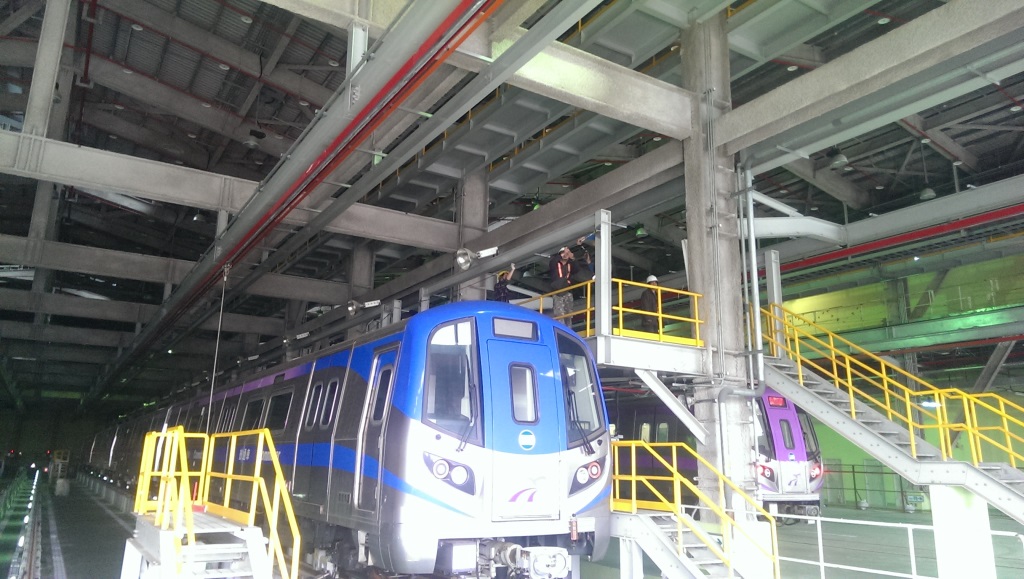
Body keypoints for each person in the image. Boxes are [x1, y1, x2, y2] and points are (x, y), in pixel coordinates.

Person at [548, 246, 579, 318]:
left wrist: (573, 258)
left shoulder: (570, 264)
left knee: (569, 314)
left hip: (567, 291)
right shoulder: (554, 263)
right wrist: (564, 253)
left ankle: (568, 325)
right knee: (559, 314)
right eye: (563, 253)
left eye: (567, 253)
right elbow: (553, 261)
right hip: (557, 291)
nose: (566, 254)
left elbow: (577, 269)